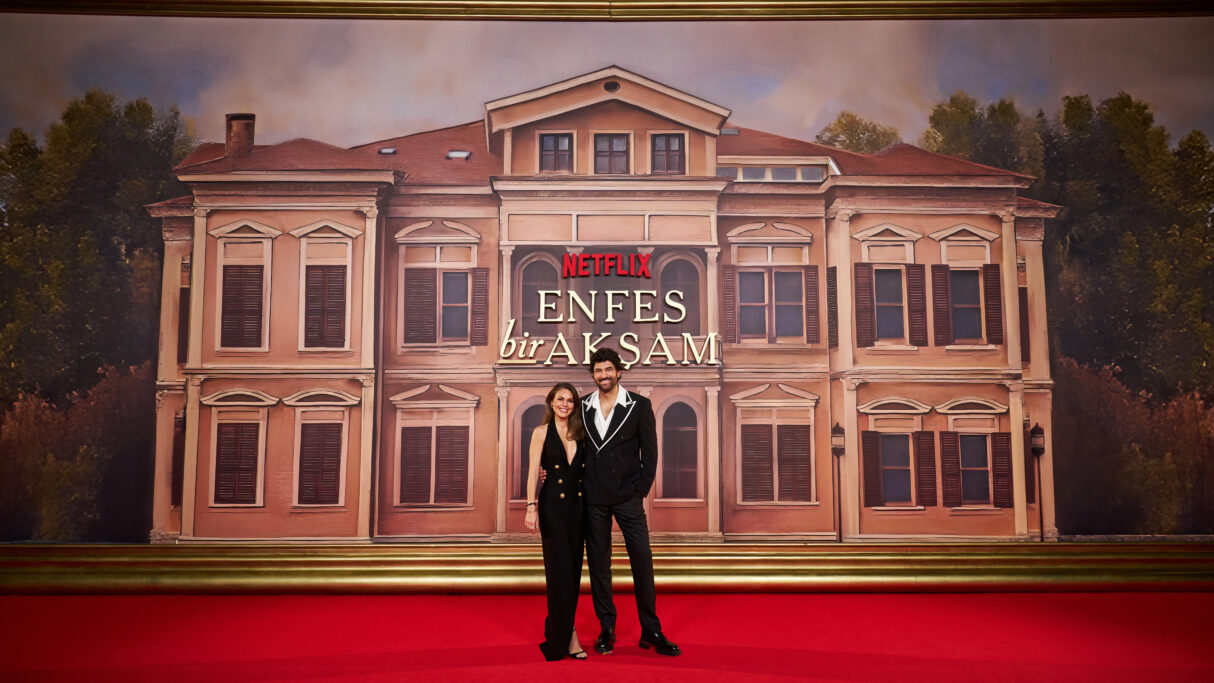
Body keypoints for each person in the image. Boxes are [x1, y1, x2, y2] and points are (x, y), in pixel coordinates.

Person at [581, 347, 681, 657]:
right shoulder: (582, 407)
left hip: (628, 496)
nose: (604, 375)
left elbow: (650, 453)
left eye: (608, 369)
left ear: (619, 372)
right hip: (593, 498)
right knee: (599, 566)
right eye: (598, 371)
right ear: (593, 375)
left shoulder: (639, 405)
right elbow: (572, 448)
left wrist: (640, 490)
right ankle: (607, 628)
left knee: (642, 561)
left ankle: (651, 630)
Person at [524, 382, 589, 661]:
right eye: (560, 399)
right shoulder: (541, 432)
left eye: (570, 400)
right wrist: (531, 507)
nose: (565, 404)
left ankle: (566, 629)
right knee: (557, 572)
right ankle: (566, 635)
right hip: (552, 506)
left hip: (578, 508)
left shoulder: (581, 433)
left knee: (572, 573)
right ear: (551, 402)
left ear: (575, 406)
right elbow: (532, 471)